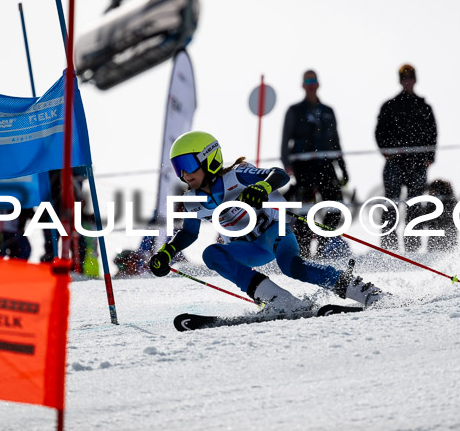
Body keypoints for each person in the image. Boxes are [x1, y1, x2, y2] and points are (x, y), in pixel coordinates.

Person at [148, 131, 383, 310]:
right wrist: (165, 253)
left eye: (188, 165)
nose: (184, 174)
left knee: (291, 267)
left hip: (275, 234)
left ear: (209, 159)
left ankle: (361, 290)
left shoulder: (237, 175)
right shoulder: (192, 200)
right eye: (178, 168)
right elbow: (189, 233)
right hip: (249, 248)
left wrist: (262, 186)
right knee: (211, 253)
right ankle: (277, 299)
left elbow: (279, 175)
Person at [280, 69, 349, 259]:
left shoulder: (328, 111)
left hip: (326, 166)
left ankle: (325, 244)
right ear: (303, 85)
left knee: (336, 206)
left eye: (314, 80)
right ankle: (302, 251)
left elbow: (336, 141)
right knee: (305, 209)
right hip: (304, 167)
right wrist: (287, 164)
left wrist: (343, 168)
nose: (311, 84)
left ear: (318, 84)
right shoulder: (294, 111)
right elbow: (285, 139)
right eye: (307, 80)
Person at [375, 64, 437, 251]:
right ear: (400, 80)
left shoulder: (424, 106)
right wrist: (385, 151)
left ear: (415, 79)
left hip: (417, 164)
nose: (407, 81)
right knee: (391, 205)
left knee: (415, 205)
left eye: (410, 77)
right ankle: (389, 246)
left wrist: (430, 157)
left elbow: (433, 134)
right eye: (404, 77)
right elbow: (379, 132)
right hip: (395, 163)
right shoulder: (390, 106)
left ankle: (412, 245)